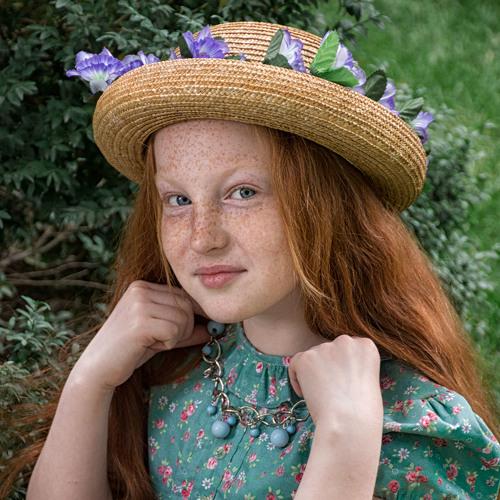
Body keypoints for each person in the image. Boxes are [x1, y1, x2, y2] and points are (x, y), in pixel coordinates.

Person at [1, 20, 498, 500]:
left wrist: (347, 435)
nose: (203, 239)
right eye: (178, 200)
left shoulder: (413, 428)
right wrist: (90, 380)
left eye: (243, 192)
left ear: (329, 206)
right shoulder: (172, 363)